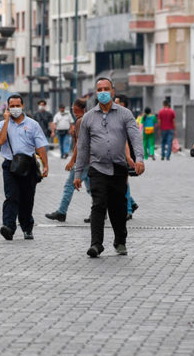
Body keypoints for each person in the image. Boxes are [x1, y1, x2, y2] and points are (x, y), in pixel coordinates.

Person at [74, 77, 145, 258]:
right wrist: (77, 173)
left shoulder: (125, 114)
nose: (103, 92)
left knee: (118, 207)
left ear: (112, 91)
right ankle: (96, 244)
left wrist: (139, 159)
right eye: (100, 90)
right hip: (97, 168)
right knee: (98, 205)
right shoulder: (88, 118)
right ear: (96, 93)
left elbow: (135, 137)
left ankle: (120, 241)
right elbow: (82, 147)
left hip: (118, 168)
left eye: (106, 89)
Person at [0, 94, 49, 240]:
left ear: (23, 106)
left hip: (28, 166)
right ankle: (8, 227)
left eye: (17, 105)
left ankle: (27, 228)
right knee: (11, 196)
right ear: (7, 108)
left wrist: (45, 165)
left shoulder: (32, 124)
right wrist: (6, 121)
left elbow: (41, 146)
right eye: (11, 106)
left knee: (27, 198)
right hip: (10, 165)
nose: (15, 109)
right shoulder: (2, 125)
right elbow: (0, 141)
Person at [45, 98, 90, 222]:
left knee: (69, 185)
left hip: (83, 160)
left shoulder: (80, 121)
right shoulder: (87, 119)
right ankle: (100, 210)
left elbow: (80, 143)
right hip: (89, 159)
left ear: (78, 108)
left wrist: (72, 161)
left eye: (74, 109)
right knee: (92, 188)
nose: (73, 111)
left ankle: (61, 211)